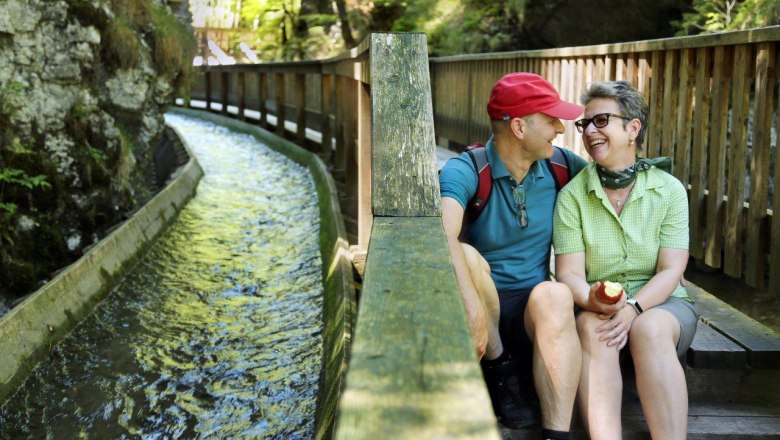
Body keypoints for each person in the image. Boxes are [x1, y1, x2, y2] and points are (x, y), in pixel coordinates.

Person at [439, 72, 589, 439]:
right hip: (476, 308)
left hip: (533, 314)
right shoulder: (467, 169)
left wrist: (667, 259)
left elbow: (619, 192)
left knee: (556, 293)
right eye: (551, 119)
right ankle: (501, 371)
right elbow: (441, 234)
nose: (560, 128)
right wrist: (472, 309)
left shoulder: (563, 167)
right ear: (519, 127)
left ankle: (557, 433)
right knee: (466, 254)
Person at [553, 80, 698, 440]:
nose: (589, 131)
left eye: (601, 120)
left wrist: (634, 308)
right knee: (591, 327)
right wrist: (593, 300)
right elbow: (569, 273)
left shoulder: (669, 190)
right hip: (598, 305)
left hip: (662, 305)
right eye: (584, 124)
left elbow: (672, 269)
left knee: (648, 329)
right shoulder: (573, 195)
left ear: (633, 128)